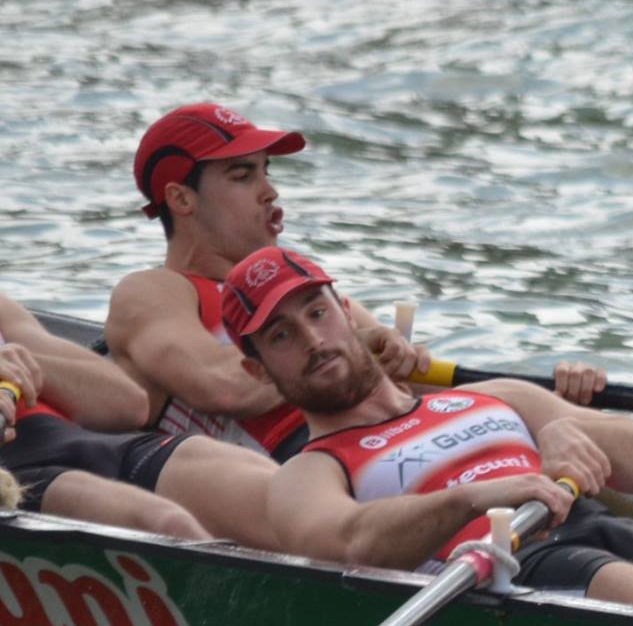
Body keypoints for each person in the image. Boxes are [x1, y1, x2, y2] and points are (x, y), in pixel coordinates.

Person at [230, 246, 633, 626]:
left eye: (316, 313)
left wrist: (566, 427)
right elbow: (353, 543)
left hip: (611, 530)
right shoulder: (306, 473)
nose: (312, 341)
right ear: (258, 370)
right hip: (511, 570)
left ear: (346, 311)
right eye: (281, 336)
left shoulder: (494, 395)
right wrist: (475, 498)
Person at [106, 103, 436, 461]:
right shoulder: (153, 292)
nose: (270, 191)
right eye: (242, 176)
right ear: (182, 198)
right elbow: (223, 387)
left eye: (266, 171)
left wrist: (403, 357)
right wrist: (349, 347)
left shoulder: (303, 291)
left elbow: (419, 387)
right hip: (305, 479)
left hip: (400, 443)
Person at [0, 291, 282, 542]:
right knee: (166, 523)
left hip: (80, 443)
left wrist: (28, 367)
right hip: (19, 474)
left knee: (275, 497)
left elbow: (129, 404)